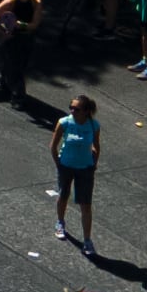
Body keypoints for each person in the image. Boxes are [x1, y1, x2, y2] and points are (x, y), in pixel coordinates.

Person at [48, 96, 100, 251]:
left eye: (76, 109)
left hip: (85, 168)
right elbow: (54, 145)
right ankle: (60, 222)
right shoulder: (64, 123)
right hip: (66, 165)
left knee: (86, 204)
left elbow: (96, 146)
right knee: (63, 195)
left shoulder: (93, 125)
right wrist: (58, 163)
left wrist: (94, 163)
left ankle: (87, 240)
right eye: (71, 107)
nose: (72, 111)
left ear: (86, 111)